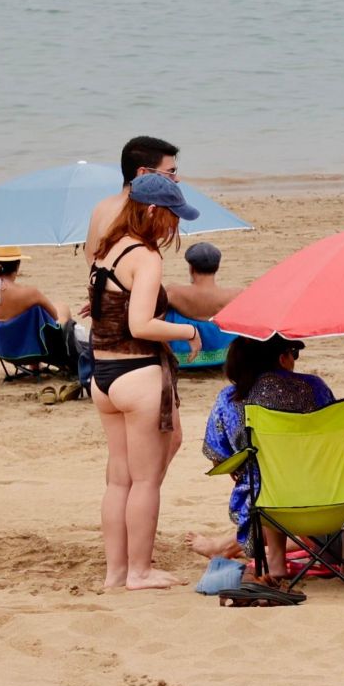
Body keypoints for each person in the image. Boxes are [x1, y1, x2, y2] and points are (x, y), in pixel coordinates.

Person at [89, 173, 203, 590]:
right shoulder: (146, 257)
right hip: (137, 374)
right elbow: (141, 324)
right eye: (173, 216)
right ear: (153, 211)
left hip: (102, 377)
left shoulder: (108, 248)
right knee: (145, 480)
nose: (175, 226)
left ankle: (116, 572)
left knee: (119, 480)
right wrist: (189, 332)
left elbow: (106, 307)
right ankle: (139, 570)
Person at [192, 336, 337, 563]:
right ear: (282, 359)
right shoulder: (315, 387)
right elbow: (335, 437)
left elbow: (218, 459)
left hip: (265, 499)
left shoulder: (229, 399)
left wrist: (241, 470)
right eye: (294, 353)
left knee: (264, 477)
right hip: (330, 493)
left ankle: (273, 562)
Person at [85, 136, 179, 262]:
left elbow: (91, 256)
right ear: (143, 174)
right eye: (170, 172)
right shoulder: (141, 213)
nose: (176, 179)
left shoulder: (101, 206)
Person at [0, 246, 68, 325]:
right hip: (24, 333)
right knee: (63, 309)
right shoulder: (31, 294)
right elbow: (54, 316)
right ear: (17, 266)